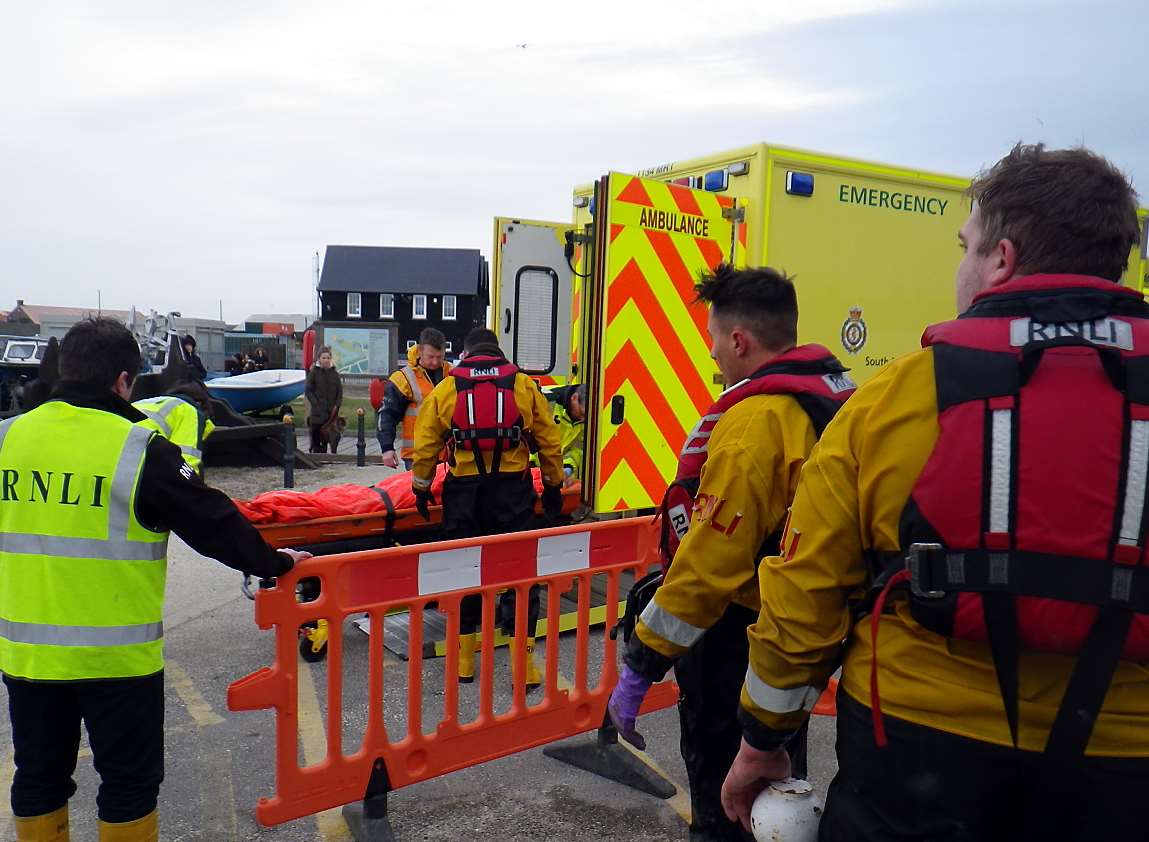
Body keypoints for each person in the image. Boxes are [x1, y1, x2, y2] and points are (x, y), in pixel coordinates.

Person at [720, 144, 1149, 841]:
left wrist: (760, 740)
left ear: (1000, 259)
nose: (960, 265)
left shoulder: (891, 399)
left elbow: (805, 594)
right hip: (1126, 764)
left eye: (965, 246)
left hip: (918, 754)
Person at [0, 317, 308, 842]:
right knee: (127, 786)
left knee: (39, 779)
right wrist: (277, 563)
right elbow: (212, 521)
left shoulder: (8, 436)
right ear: (124, 381)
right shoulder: (139, 448)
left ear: (63, 370)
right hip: (117, 662)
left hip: (27, 657)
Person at [605, 265, 855, 842]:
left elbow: (711, 564)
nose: (713, 353)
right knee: (778, 793)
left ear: (739, 340)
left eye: (715, 339)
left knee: (727, 802)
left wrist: (643, 661)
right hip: (796, 636)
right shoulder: (836, 399)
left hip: (736, 638)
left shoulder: (755, 424)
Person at [411, 327, 564, 687]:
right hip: (513, 494)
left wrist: (420, 487)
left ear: (466, 352)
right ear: (497, 351)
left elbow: (426, 443)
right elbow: (548, 440)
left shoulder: (448, 387)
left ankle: (465, 662)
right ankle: (523, 668)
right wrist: (554, 487)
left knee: (465, 574)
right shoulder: (523, 385)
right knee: (521, 577)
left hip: (463, 495)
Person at [377, 328, 450, 471]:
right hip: (417, 455)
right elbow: (387, 415)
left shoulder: (452, 374)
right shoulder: (403, 378)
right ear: (420, 351)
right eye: (430, 356)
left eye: (440, 357)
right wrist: (387, 448)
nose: (435, 362)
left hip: (447, 455)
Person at [544, 383, 587, 484]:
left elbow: (577, 449)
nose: (583, 419)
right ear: (574, 397)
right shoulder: (547, 401)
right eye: (582, 413)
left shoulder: (584, 419)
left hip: (553, 474)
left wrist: (568, 466)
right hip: (529, 467)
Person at [305, 346, 342, 454]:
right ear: (319, 359)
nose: (326, 360)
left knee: (331, 435)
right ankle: (317, 453)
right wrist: (316, 404)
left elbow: (339, 391)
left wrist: (337, 404)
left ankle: (330, 455)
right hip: (317, 413)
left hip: (331, 412)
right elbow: (308, 390)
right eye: (324, 358)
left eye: (328, 358)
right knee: (316, 435)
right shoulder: (314, 373)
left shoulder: (334, 374)